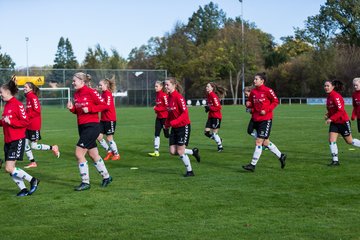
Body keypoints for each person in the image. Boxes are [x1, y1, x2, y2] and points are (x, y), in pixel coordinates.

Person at [67, 72, 113, 191]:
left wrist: (91, 109)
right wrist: (72, 109)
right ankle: (107, 177)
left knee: (79, 153)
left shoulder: (91, 92)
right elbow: (79, 111)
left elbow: (105, 106)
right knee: (93, 155)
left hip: (92, 127)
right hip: (82, 127)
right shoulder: (76, 94)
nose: (73, 83)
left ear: (82, 81)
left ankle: (85, 182)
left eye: (74, 81)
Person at [0, 76, 39, 196]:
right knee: (10, 167)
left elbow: (25, 122)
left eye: (1, 92)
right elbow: (4, 121)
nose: (0, 95)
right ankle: (23, 189)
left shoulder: (18, 105)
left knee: (9, 168)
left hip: (17, 140)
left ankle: (33, 180)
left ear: (7, 92)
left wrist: (11, 122)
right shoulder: (7, 105)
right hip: (8, 140)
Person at [242, 72, 286, 172]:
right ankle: (281, 156)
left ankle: (252, 165)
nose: (254, 81)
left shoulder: (268, 90)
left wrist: (266, 110)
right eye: (254, 79)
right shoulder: (253, 92)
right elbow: (251, 104)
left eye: (256, 79)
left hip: (265, 120)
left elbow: (275, 101)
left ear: (262, 81)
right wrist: (248, 105)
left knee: (259, 141)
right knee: (265, 142)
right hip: (255, 119)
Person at [164, 77, 200, 177]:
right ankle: (193, 152)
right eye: (165, 85)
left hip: (183, 126)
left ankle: (190, 171)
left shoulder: (178, 97)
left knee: (180, 151)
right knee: (172, 151)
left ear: (174, 85)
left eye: (168, 85)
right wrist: (166, 126)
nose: (166, 86)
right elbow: (170, 114)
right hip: (174, 127)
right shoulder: (168, 97)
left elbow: (185, 113)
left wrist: (174, 122)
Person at [23, 82, 60, 168]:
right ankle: (33, 162)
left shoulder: (33, 97)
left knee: (34, 146)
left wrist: (26, 116)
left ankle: (53, 147)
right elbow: (28, 111)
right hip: (27, 125)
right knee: (25, 144)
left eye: (26, 87)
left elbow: (37, 111)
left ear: (31, 89)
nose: (24, 88)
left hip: (34, 125)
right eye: (24, 87)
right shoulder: (28, 97)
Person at [324, 79, 360, 166]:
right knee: (331, 140)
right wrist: (328, 114)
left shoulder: (336, 96)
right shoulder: (329, 97)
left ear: (333, 87)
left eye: (328, 86)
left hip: (343, 122)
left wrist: (331, 118)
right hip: (335, 123)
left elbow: (340, 111)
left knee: (350, 141)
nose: (326, 87)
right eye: (325, 86)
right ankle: (335, 161)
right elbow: (333, 110)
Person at [96, 76, 120, 161]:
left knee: (109, 138)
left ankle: (116, 154)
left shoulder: (108, 94)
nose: (99, 86)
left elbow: (106, 106)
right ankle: (109, 151)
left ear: (106, 85)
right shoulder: (103, 94)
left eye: (100, 85)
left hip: (110, 120)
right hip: (103, 120)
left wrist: (96, 108)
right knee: (98, 136)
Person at [148, 81, 169, 157]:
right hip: (159, 118)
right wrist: (157, 110)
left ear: (161, 87)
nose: (155, 87)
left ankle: (177, 145)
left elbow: (167, 107)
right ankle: (156, 151)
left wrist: (157, 109)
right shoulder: (157, 95)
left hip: (165, 118)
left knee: (166, 135)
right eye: (155, 86)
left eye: (157, 86)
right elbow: (159, 107)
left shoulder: (164, 95)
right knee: (156, 134)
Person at [204, 82, 226, 152]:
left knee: (214, 133)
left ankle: (220, 147)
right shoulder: (208, 95)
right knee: (206, 132)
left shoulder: (213, 95)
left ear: (212, 88)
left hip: (216, 117)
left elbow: (218, 107)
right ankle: (219, 140)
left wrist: (209, 108)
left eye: (208, 86)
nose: (206, 88)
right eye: (206, 86)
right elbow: (211, 106)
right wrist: (208, 109)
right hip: (210, 117)